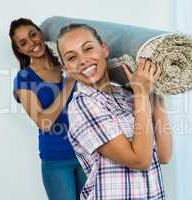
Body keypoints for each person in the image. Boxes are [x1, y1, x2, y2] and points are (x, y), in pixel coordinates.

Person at [57, 23, 172, 200]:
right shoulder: (82, 106)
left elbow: (164, 155)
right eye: (71, 58)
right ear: (66, 69)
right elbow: (140, 161)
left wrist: (156, 90)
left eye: (88, 48)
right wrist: (142, 94)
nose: (82, 60)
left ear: (104, 49)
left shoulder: (126, 94)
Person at [9, 18, 86, 200]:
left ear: (40, 33)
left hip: (88, 154)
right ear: (20, 50)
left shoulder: (68, 65)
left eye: (32, 35)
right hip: (57, 161)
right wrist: (70, 81)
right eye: (23, 43)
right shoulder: (24, 78)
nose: (32, 43)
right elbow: (44, 122)